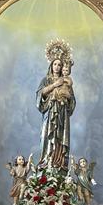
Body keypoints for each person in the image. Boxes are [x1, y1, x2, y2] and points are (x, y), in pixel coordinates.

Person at [36, 42, 76, 171]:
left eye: (60, 64)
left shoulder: (67, 81)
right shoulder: (46, 80)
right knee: (47, 135)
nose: (57, 67)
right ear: (51, 65)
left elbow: (72, 100)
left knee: (60, 136)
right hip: (49, 113)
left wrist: (68, 96)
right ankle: (46, 161)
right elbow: (40, 94)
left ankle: (58, 163)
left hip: (62, 113)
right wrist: (54, 85)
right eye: (55, 64)